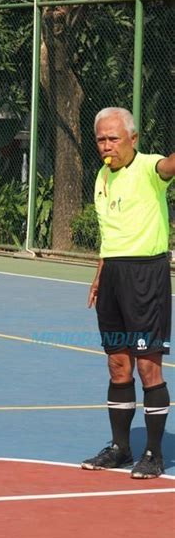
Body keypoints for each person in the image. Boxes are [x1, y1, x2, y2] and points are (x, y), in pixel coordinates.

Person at [82, 107, 174, 478]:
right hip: (113, 278)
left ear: (133, 139)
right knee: (118, 364)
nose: (107, 146)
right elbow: (110, 234)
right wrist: (100, 274)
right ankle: (121, 447)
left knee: (149, 366)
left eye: (114, 138)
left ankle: (152, 453)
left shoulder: (150, 169)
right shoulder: (102, 176)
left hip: (146, 277)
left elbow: (169, 166)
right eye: (101, 139)